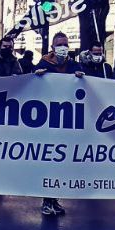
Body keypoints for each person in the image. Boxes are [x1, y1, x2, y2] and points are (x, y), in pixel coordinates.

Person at [33, 32, 83, 216]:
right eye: (60, 44)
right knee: (50, 162)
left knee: (61, 163)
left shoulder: (73, 65)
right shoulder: (44, 64)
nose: (63, 47)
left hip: (68, 121)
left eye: (65, 44)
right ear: (53, 48)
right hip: (49, 120)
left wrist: (81, 77)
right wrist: (36, 76)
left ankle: (55, 200)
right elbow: (31, 85)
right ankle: (46, 200)